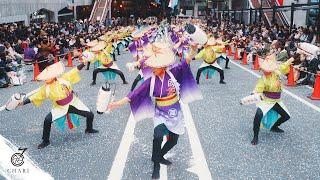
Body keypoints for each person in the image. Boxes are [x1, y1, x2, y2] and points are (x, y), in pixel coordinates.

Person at [108, 42, 202, 179]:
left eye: (155, 67)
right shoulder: (150, 81)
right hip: (160, 114)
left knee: (174, 140)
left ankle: (158, 155)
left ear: (162, 66)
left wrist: (193, 49)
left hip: (175, 111)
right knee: (157, 137)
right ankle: (156, 165)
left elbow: (186, 61)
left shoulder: (174, 72)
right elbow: (133, 94)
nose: (152, 68)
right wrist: (116, 104)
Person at [19, 61, 98, 149]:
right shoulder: (45, 88)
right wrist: (23, 102)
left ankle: (89, 129)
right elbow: (35, 96)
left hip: (73, 103)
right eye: (45, 78)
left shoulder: (64, 79)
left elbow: (74, 71)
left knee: (90, 114)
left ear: (53, 75)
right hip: (59, 107)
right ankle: (45, 141)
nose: (46, 79)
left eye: (48, 77)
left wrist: (83, 63)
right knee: (47, 120)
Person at [250, 54, 294, 145]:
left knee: (286, 116)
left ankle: (274, 126)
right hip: (266, 100)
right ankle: (255, 136)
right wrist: (254, 93)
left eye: (267, 69)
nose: (265, 71)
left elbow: (285, 65)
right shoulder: (263, 79)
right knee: (258, 115)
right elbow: (258, 88)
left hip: (276, 101)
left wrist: (294, 57)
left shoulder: (277, 72)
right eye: (264, 69)